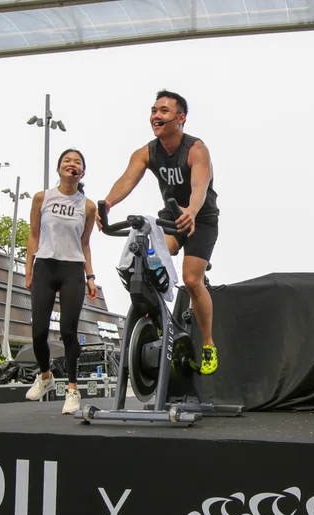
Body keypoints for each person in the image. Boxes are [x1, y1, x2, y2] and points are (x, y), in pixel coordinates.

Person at [98, 89, 220, 375]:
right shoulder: (146, 152)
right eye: (154, 111)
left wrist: (191, 210)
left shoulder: (196, 149)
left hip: (200, 217)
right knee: (150, 263)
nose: (156, 116)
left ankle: (209, 344)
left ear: (181, 118)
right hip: (171, 214)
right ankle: (160, 325)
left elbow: (201, 185)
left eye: (164, 111)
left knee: (191, 280)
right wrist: (108, 203)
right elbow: (128, 178)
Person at [24, 149, 99, 414]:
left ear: (82, 172)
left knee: (68, 331)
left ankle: (72, 389)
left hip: (72, 269)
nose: (72, 164)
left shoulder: (88, 206)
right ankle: (45, 377)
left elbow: (86, 243)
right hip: (45, 265)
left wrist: (90, 277)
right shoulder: (42, 198)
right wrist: (29, 270)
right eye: (67, 161)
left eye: (77, 161)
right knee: (39, 332)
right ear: (58, 169)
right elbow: (33, 235)